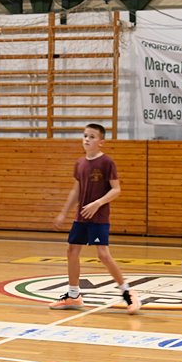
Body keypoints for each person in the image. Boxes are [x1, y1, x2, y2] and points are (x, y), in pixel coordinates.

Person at [49, 123, 139, 313]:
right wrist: (64, 212)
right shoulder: (80, 163)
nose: (87, 139)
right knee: (72, 251)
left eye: (92, 136)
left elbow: (116, 189)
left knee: (103, 255)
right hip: (81, 217)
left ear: (101, 142)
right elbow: (76, 191)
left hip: (98, 217)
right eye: (85, 136)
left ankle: (128, 293)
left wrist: (97, 203)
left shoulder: (106, 162)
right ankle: (73, 296)